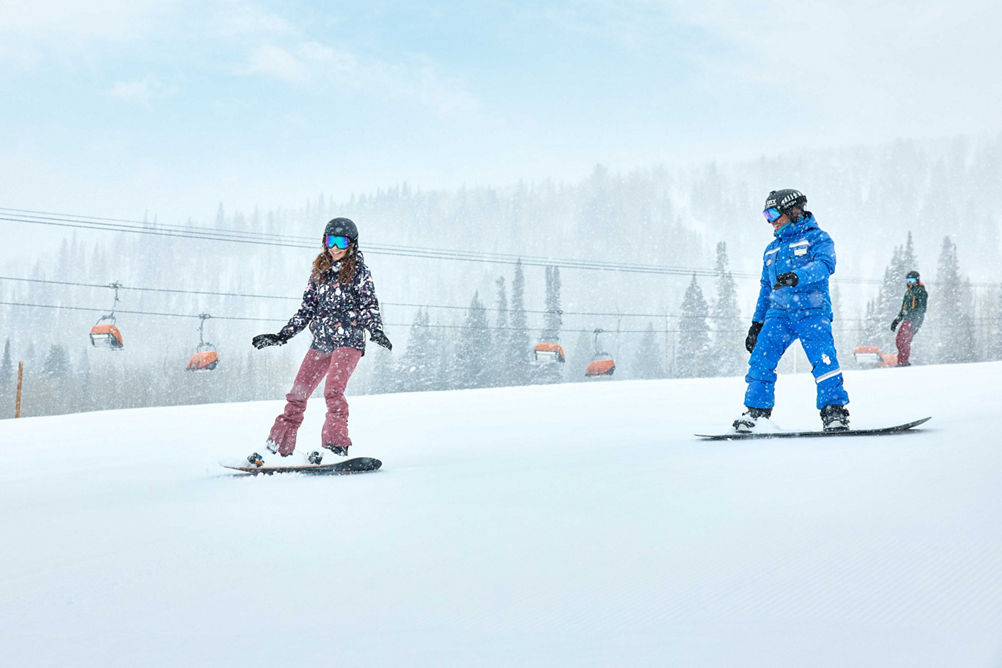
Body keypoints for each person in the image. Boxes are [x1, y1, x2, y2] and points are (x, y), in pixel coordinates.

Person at [247, 217, 392, 466]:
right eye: (330, 240)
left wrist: (375, 329)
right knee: (297, 394)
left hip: (349, 340)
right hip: (322, 341)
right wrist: (282, 335)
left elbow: (369, 305)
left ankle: (335, 447)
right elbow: (306, 310)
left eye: (341, 242)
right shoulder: (319, 273)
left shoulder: (360, 272)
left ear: (352, 245)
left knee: (333, 391)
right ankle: (277, 447)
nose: (335, 247)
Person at [734, 189, 850, 433]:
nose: (771, 220)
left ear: (793, 211)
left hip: (812, 310)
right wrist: (757, 323)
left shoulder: (817, 238)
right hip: (779, 314)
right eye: (766, 215)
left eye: (774, 213)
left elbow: (825, 265)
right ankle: (756, 413)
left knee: (824, 359)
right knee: (761, 358)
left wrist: (798, 276)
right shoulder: (771, 250)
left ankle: (834, 411)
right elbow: (766, 288)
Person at [890, 270, 927, 366]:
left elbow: (922, 309)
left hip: (914, 320)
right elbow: (903, 309)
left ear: (917, 280)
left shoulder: (921, 291)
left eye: (912, 280)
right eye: (908, 281)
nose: (910, 283)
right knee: (899, 340)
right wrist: (896, 321)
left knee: (904, 340)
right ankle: (902, 361)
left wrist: (916, 323)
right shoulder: (907, 293)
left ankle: (903, 362)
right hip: (907, 319)